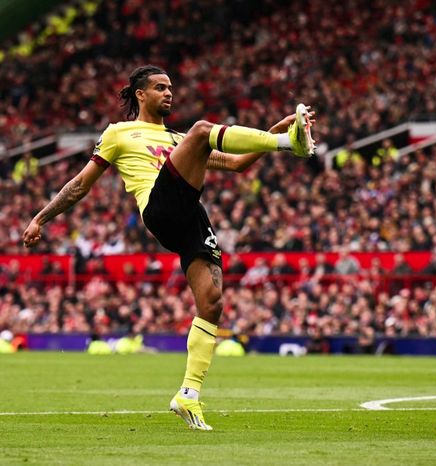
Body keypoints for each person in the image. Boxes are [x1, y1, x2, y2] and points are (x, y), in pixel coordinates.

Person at [22, 64, 316, 431]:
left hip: (190, 215)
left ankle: (188, 395)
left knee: (212, 301)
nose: (169, 93)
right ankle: (292, 146)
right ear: (140, 94)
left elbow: (238, 163)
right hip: (160, 210)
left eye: (171, 88)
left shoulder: (180, 141)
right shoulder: (119, 133)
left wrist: (274, 130)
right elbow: (81, 184)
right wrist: (40, 218)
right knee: (204, 130)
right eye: (160, 87)